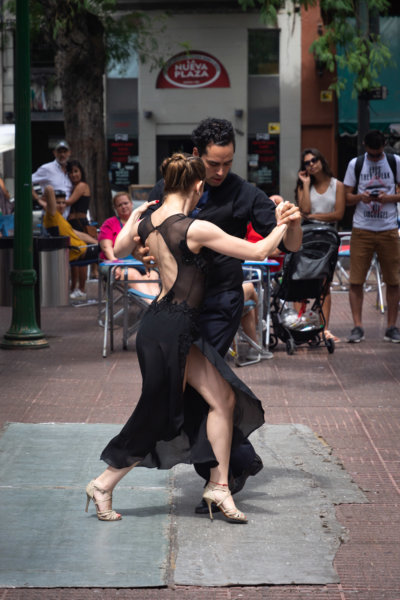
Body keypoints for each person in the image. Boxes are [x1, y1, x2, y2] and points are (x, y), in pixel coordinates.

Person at [85, 153, 298, 523]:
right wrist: (283, 223)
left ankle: (219, 487)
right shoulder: (193, 228)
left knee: (223, 399)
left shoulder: (150, 219)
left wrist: (134, 217)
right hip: (173, 329)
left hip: (165, 325)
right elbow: (260, 251)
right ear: (197, 185)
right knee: (159, 415)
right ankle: (103, 484)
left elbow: (119, 251)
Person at [146, 118, 302, 512]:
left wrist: (292, 222)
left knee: (204, 389)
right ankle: (238, 464)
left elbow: (287, 244)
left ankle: (223, 477)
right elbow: (148, 234)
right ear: (196, 155)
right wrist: (148, 251)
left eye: (227, 163)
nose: (219, 172)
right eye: (213, 164)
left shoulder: (245, 192)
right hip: (178, 307)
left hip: (219, 305)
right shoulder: (174, 186)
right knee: (189, 390)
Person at [343, 129, 400, 343]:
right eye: (372, 154)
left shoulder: (395, 162)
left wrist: (390, 197)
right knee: (356, 280)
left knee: (393, 280)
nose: (375, 158)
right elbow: (346, 197)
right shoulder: (355, 165)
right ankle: (357, 326)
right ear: (364, 147)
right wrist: (360, 197)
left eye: (379, 154)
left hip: (388, 228)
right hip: (362, 228)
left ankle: (392, 326)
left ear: (384, 145)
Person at [296, 148, 345, 342]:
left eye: (314, 160)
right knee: (303, 280)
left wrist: (314, 216)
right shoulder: (303, 185)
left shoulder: (337, 185)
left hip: (328, 238)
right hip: (308, 237)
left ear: (321, 160)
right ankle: (301, 326)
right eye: (307, 163)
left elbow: (338, 214)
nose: (311, 165)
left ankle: (324, 328)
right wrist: (306, 185)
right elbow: (304, 209)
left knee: (325, 284)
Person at [98, 192, 160, 300]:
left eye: (125, 203)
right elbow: (106, 248)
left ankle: (156, 307)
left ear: (131, 204)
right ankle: (152, 307)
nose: (123, 206)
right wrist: (115, 264)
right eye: (119, 205)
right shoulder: (110, 223)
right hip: (116, 264)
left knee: (153, 276)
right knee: (132, 274)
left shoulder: (141, 223)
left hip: (140, 263)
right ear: (115, 208)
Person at [38, 187, 99, 293]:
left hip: (81, 248)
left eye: (63, 203)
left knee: (108, 248)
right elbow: (48, 189)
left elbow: (78, 234)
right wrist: (44, 200)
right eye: (58, 203)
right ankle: (119, 285)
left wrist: (97, 243)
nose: (61, 205)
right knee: (110, 253)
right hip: (77, 251)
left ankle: (115, 284)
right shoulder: (51, 216)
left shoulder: (61, 219)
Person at [65, 159, 93, 298]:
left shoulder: (82, 185)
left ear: (81, 172)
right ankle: (73, 287)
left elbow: (69, 201)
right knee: (74, 258)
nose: (73, 175)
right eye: (70, 172)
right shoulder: (72, 187)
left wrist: (52, 200)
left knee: (82, 257)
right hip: (72, 223)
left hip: (80, 224)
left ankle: (81, 289)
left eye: (76, 171)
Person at [32, 140, 72, 218]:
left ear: (69, 153)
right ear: (54, 153)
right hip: (50, 217)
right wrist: (39, 200)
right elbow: (27, 181)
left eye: (65, 152)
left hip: (66, 218)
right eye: (59, 152)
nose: (62, 154)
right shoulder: (47, 168)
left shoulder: (71, 171)